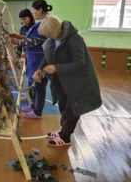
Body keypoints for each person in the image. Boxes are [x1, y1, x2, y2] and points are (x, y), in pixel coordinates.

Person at [33, 15, 102, 146]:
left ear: (53, 30)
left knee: (72, 108)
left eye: (48, 34)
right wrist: (39, 69)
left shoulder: (74, 39)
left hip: (78, 81)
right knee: (64, 105)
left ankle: (66, 137)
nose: (47, 37)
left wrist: (56, 68)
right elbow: (47, 56)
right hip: (63, 79)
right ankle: (63, 130)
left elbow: (79, 62)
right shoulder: (52, 40)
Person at [11, 0, 52, 119]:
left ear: (40, 10)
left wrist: (18, 41)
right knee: (34, 86)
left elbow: (35, 40)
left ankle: (37, 112)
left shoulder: (45, 23)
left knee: (39, 86)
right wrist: (19, 36)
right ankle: (34, 105)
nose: (33, 12)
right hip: (35, 58)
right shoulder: (40, 22)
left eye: (34, 10)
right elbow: (32, 38)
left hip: (40, 59)